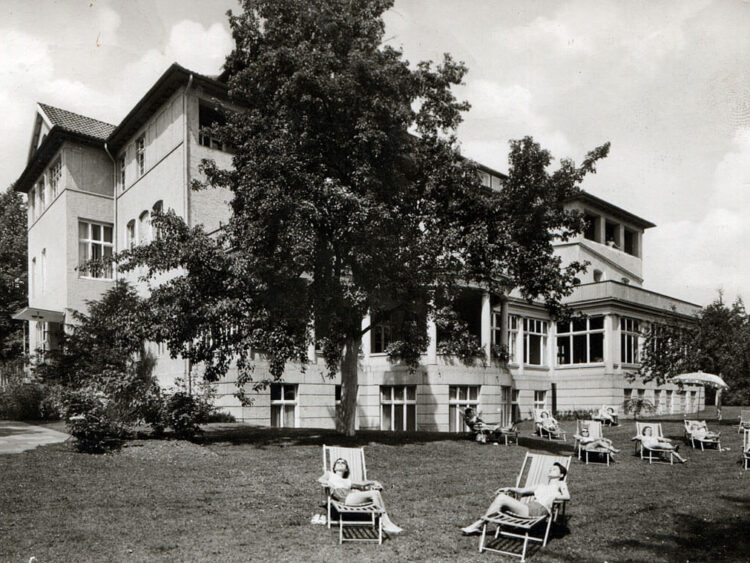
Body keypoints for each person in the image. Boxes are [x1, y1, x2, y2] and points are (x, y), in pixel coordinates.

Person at [462, 463, 569, 535]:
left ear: (561, 475)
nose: (551, 470)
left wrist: (555, 496)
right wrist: (509, 488)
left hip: (538, 510)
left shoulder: (560, 484)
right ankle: (482, 525)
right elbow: (522, 490)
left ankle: (479, 525)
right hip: (528, 508)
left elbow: (567, 496)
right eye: (550, 469)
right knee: (501, 499)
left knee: (502, 498)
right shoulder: (540, 485)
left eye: (554, 469)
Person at [320, 458, 403, 534]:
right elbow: (321, 479)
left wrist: (374, 482)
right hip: (344, 498)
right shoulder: (329, 474)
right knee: (374, 493)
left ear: (346, 469)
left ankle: (385, 522)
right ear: (334, 468)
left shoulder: (348, 481)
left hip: (351, 496)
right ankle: (385, 524)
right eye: (338, 462)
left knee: (376, 492)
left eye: (343, 463)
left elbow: (362, 483)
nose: (340, 463)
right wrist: (328, 483)